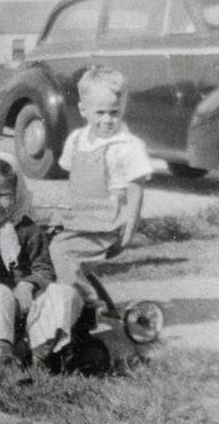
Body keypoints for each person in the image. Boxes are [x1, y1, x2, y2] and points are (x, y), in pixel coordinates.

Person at [0, 151, 81, 379]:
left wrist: (28, 285)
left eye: (3, 195)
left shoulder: (28, 229)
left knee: (66, 294)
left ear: (17, 193)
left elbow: (44, 269)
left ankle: (38, 357)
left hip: (26, 304)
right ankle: (4, 360)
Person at [48, 66, 152, 307]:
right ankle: (68, 299)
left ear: (123, 108)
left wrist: (130, 228)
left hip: (108, 224)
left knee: (61, 251)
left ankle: (88, 304)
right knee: (46, 250)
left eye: (115, 112)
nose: (108, 119)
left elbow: (136, 189)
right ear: (84, 110)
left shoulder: (128, 145)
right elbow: (75, 183)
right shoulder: (77, 140)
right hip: (80, 219)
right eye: (101, 112)